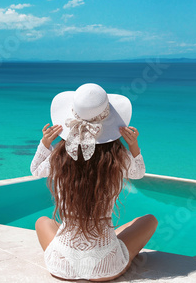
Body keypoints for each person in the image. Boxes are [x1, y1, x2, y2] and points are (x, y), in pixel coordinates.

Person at [31, 83, 158, 281]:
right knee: (149, 220)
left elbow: (35, 170)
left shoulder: (60, 157)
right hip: (105, 269)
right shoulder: (116, 158)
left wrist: (45, 143)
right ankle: (102, 241)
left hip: (61, 267)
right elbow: (138, 173)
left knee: (42, 222)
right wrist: (133, 145)